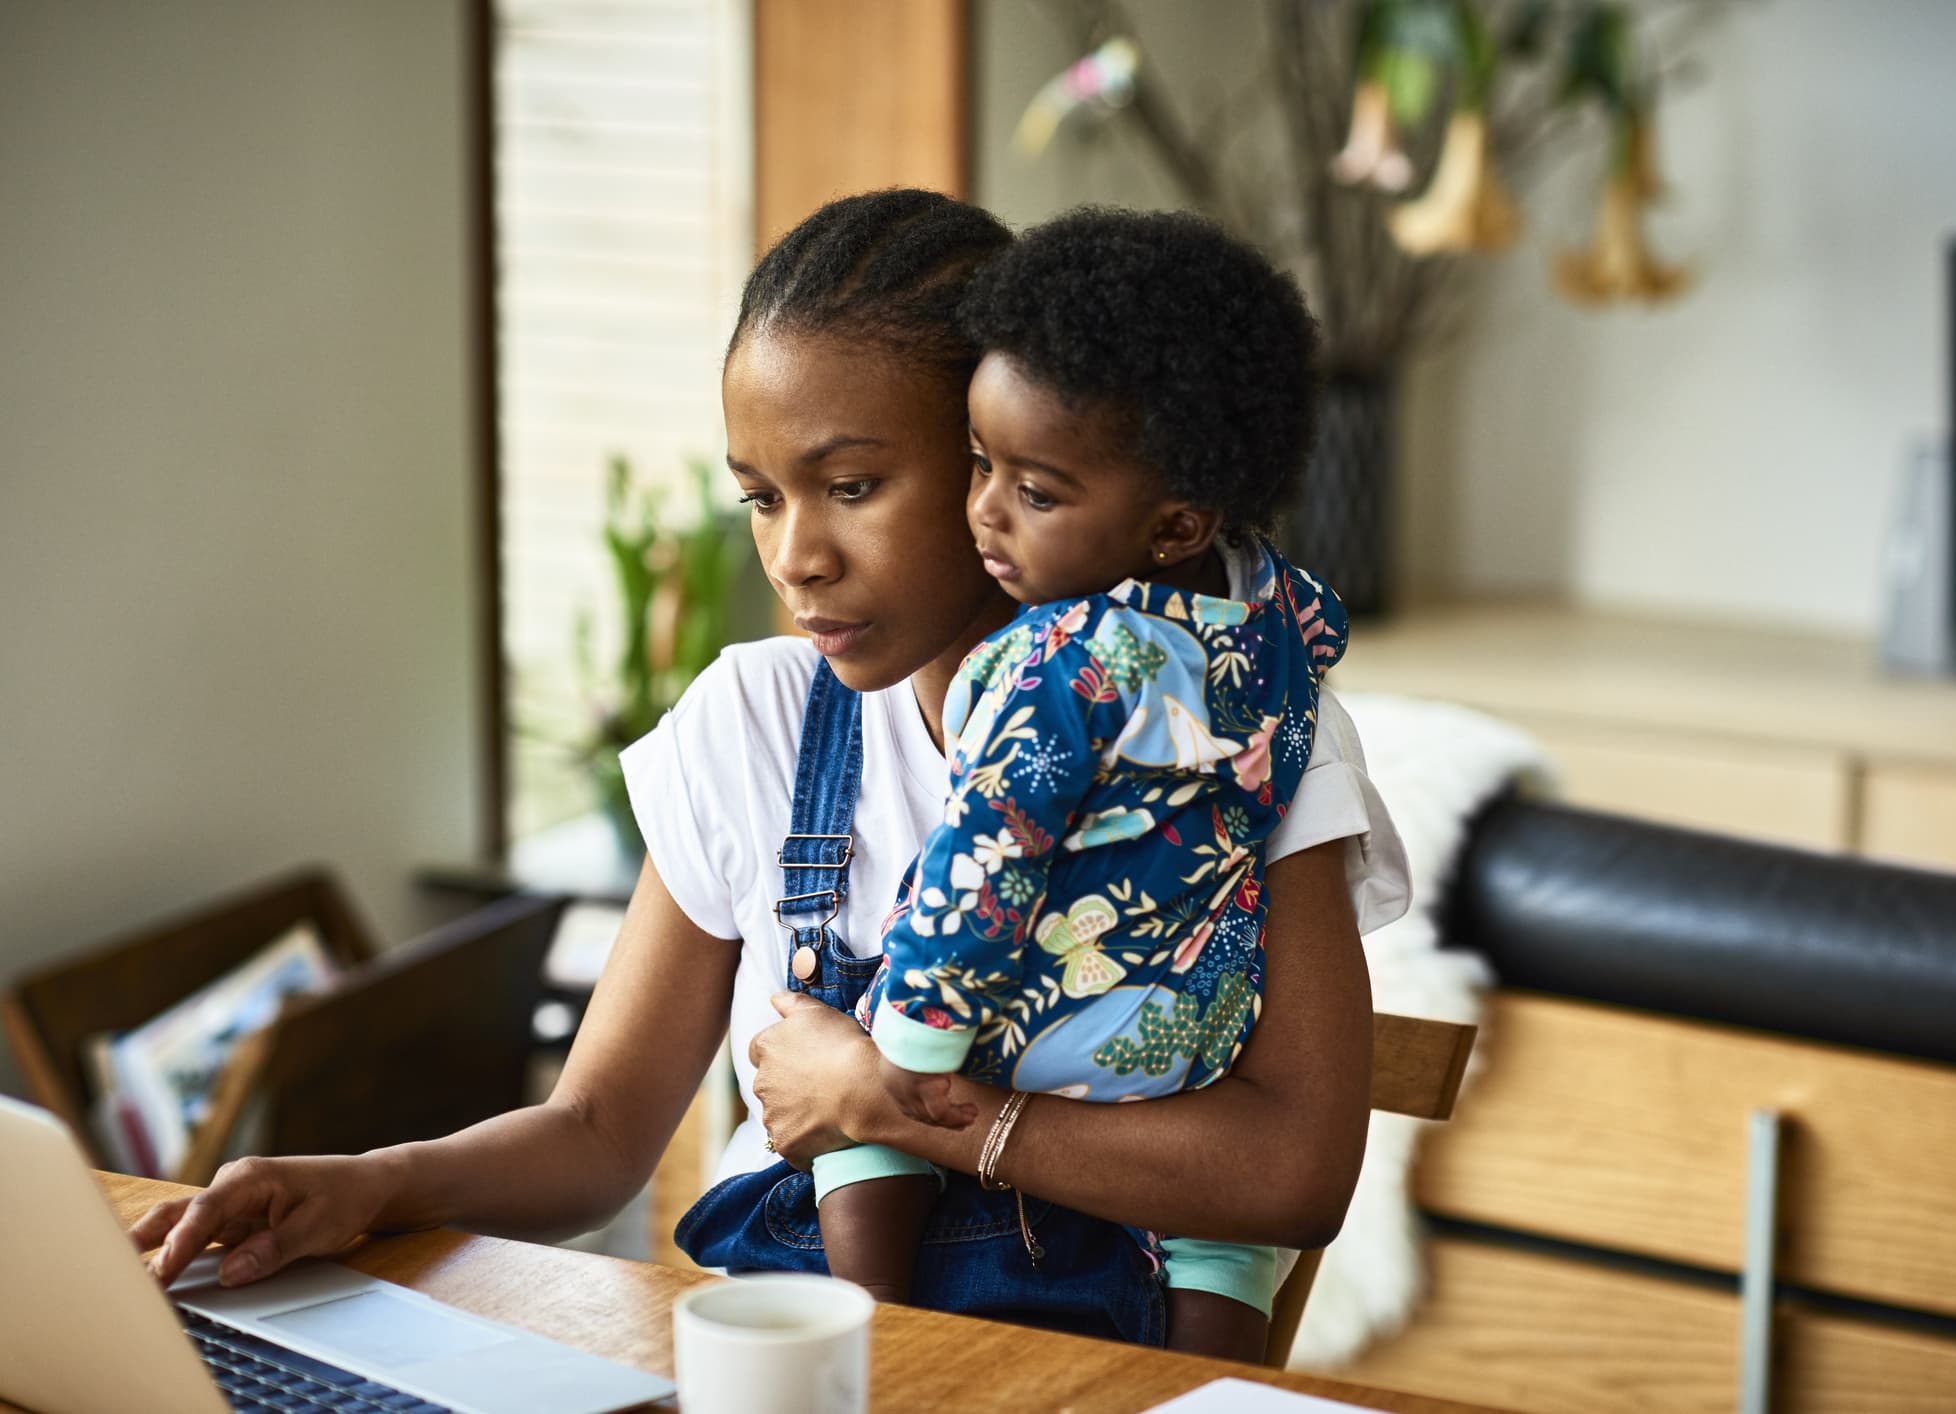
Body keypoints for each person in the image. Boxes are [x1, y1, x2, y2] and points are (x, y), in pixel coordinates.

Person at [131, 189, 1405, 1357]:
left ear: (993, 445)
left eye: (851, 486)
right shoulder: (754, 719)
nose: (796, 557)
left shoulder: (1236, 730)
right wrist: (371, 1181)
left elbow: (1292, 1171)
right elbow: (594, 1136)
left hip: (1080, 1350)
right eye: (759, 496)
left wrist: (894, 1106)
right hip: (794, 1348)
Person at [786, 208, 1345, 1364]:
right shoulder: (1288, 624)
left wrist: (900, 1068)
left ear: (1175, 520)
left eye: (1035, 491)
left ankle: (875, 1335)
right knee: (1222, 1259)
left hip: (1032, 1041)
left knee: (853, 1136)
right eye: (979, 464)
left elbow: (982, 864)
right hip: (1189, 1062)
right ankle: (1204, 1369)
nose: (985, 508)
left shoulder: (1058, 662)